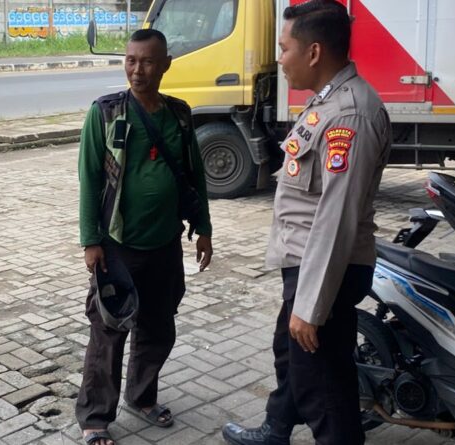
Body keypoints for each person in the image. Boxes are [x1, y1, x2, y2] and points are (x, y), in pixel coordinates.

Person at [222, 1, 391, 444]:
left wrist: (311, 305)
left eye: (284, 48)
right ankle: (276, 428)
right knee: (292, 354)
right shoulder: (328, 99)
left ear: (313, 52)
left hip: (327, 270)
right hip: (308, 264)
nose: (279, 59)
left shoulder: (349, 114)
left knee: (325, 388)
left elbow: (337, 217)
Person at [76, 29, 214, 445]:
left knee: (159, 326)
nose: (137, 70)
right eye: (131, 60)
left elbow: (194, 175)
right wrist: (91, 240)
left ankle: (141, 396)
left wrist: (204, 228)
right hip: (117, 245)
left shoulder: (179, 114)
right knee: (108, 332)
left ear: (165, 64)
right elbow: (89, 178)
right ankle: (95, 416)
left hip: (166, 242)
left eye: (148, 61)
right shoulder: (106, 113)